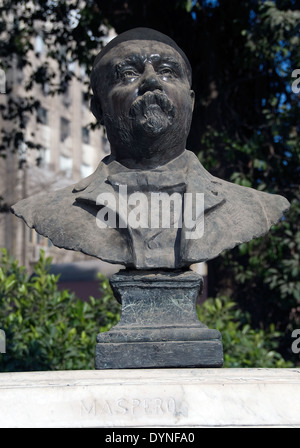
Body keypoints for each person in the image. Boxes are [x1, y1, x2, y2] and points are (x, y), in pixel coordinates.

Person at [12, 28, 290, 269]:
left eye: (168, 72)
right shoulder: (49, 211)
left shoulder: (256, 208)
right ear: (98, 108)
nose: (151, 81)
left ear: (191, 103)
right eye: (128, 73)